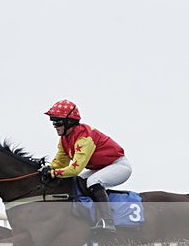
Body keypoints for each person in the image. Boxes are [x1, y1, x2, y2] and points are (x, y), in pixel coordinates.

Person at [41, 99, 132, 233]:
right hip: (100, 167)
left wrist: (54, 173)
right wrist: (49, 168)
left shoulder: (84, 138)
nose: (55, 126)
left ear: (69, 122)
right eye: (53, 122)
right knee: (76, 182)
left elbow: (75, 169)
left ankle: (108, 222)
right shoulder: (64, 140)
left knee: (93, 181)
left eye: (58, 122)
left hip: (118, 165)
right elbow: (60, 162)